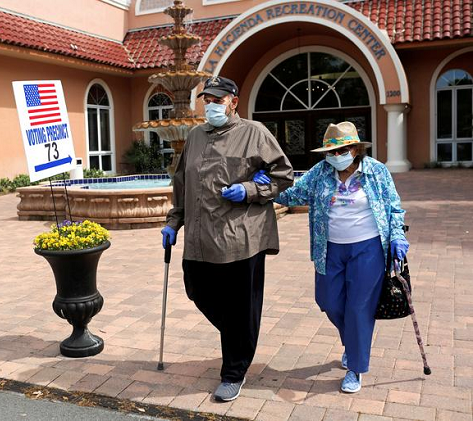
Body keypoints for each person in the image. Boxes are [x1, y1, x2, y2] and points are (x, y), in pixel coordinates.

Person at [160, 76, 293, 402]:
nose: (212, 105)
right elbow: (181, 182)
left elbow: (283, 174)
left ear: (234, 101)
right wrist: (173, 222)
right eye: (208, 100)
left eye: (218, 100)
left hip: (240, 238)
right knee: (197, 289)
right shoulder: (195, 136)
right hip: (200, 238)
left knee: (239, 306)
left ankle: (234, 371)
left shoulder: (254, 133)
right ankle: (241, 338)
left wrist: (249, 189)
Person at [253, 121, 409, 393]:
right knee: (327, 300)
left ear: (355, 149)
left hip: (368, 248)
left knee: (359, 307)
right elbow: (294, 195)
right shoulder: (320, 173)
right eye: (331, 152)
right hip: (330, 249)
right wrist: (265, 187)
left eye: (343, 150)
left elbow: (394, 208)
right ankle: (353, 342)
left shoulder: (376, 172)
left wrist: (397, 236)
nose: (337, 157)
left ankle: (355, 368)